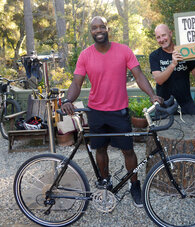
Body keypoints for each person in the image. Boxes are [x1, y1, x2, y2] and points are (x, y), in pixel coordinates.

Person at [61, 16, 162, 207]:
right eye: (94, 28)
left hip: (119, 111)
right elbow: (76, 82)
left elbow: (138, 75)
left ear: (108, 29)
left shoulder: (123, 50)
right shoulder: (85, 55)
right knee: (100, 148)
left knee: (128, 150)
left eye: (101, 27)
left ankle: (134, 185)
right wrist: (68, 100)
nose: (98, 30)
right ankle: (105, 181)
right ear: (90, 31)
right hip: (96, 111)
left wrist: (152, 95)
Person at [149, 24, 195, 115]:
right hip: (165, 106)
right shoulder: (154, 56)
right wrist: (173, 64)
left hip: (186, 104)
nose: (161, 40)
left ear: (170, 33)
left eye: (163, 35)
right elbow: (159, 80)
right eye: (158, 37)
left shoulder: (185, 51)